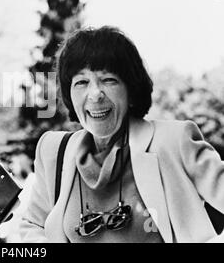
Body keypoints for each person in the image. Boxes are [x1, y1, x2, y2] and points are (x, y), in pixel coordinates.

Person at [19, 26, 224, 243]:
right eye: (81, 82)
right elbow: (32, 226)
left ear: (131, 90)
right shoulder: (53, 151)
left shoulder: (174, 141)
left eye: (108, 80)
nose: (95, 94)